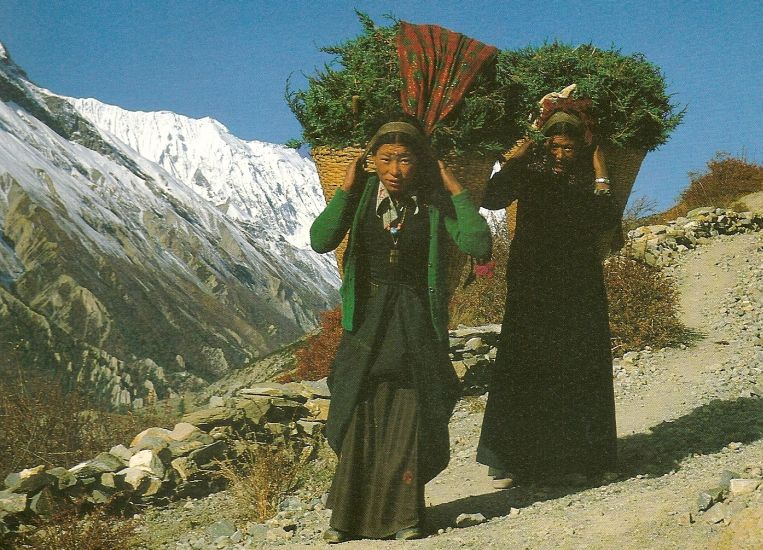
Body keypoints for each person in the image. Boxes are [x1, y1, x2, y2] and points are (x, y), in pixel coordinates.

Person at [310, 120, 491, 542]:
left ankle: (406, 515)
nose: (395, 169)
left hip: (413, 321)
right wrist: (346, 187)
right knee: (358, 404)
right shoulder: (358, 201)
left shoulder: (430, 204)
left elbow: (478, 244)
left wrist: (457, 190)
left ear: (419, 164)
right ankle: (346, 518)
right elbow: (321, 239)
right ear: (371, 162)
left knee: (411, 407)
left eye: (405, 160)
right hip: (369, 320)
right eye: (386, 159)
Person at [477, 109, 619, 488]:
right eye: (554, 146)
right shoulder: (530, 171)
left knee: (577, 361)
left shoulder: (589, 178)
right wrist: (519, 155)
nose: (560, 154)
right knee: (527, 360)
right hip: (532, 280)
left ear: (581, 148)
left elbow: (606, 221)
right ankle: (513, 459)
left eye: (569, 148)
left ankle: (582, 459)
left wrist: (601, 170)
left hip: (578, 281)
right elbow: (491, 197)